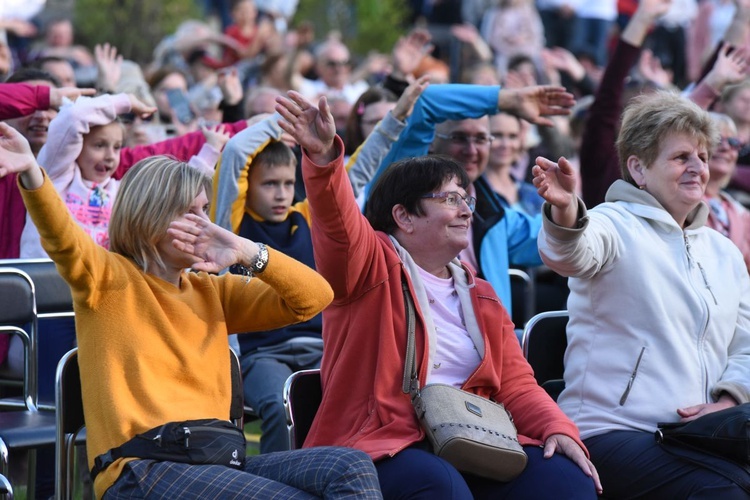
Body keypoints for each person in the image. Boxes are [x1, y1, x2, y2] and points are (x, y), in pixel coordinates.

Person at [0, 122, 383, 500]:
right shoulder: (106, 278)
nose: (206, 225)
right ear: (151, 216)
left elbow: (315, 297)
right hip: (139, 469)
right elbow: (62, 237)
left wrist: (245, 250)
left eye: (205, 211)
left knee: (351, 467)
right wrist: (33, 173)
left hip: (217, 461)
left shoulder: (211, 289)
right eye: (191, 213)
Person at [275, 90, 602, 498]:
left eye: (468, 199)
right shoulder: (368, 267)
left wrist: (559, 428)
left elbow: (517, 386)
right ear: (404, 217)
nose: (467, 210)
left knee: (568, 482)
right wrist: (324, 159)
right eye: (451, 199)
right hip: (380, 445)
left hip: (473, 439)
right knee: (442, 486)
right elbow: (337, 224)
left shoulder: (480, 293)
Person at [534, 90, 750, 497]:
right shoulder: (611, 223)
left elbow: (746, 348)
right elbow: (568, 253)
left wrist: (726, 401)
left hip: (706, 436)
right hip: (613, 431)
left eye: (702, 157)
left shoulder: (722, 251)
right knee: (722, 492)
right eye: (681, 157)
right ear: (638, 168)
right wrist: (565, 211)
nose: (697, 168)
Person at [705, 112, 750, 271]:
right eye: (716, 140)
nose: (725, 147)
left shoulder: (741, 213)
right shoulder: (677, 201)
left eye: (732, 142)